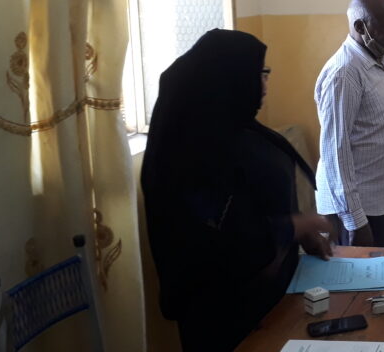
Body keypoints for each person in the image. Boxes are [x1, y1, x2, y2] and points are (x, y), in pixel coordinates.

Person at [141, 29, 333, 352]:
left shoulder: (235, 128)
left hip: (270, 301)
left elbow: (257, 205)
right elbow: (225, 237)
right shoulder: (192, 154)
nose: (265, 84)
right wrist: (296, 226)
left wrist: (295, 231)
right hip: (223, 314)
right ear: (229, 79)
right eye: (259, 74)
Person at [315, 0, 384, 248]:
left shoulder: (378, 62)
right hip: (361, 211)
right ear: (361, 27)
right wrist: (355, 222)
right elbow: (335, 152)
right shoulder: (345, 72)